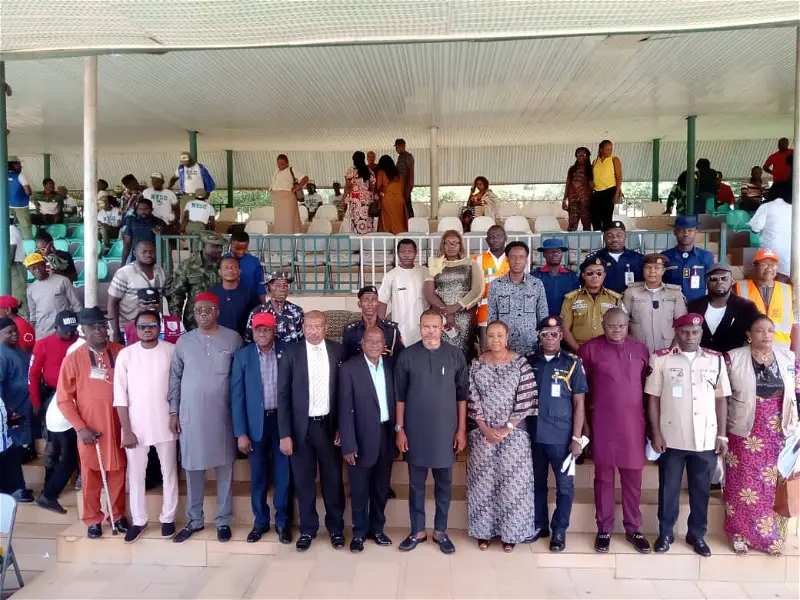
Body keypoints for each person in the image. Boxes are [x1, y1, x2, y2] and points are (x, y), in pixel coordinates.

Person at [646, 313, 731, 557]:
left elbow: (721, 399)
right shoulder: (661, 359)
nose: (690, 336)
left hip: (705, 437)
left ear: (701, 334)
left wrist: (722, 435)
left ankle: (697, 534)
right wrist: (656, 433)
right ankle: (665, 533)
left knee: (701, 490)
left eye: (695, 332)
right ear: (676, 333)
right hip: (671, 437)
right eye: (685, 332)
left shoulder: (715, 361)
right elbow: (652, 398)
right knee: (668, 489)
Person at [169, 293, 243, 543]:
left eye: (208, 309)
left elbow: (240, 378)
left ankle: (223, 520)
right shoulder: (183, 342)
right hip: (191, 418)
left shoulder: (233, 338)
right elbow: (175, 379)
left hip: (223, 416)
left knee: (225, 470)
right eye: (199, 310)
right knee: (193, 469)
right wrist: (173, 411)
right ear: (193, 313)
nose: (203, 314)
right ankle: (195, 520)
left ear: (217, 311)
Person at [578, 309, 651, 554]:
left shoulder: (640, 349)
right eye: (611, 326)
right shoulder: (588, 350)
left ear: (627, 325)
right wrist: (585, 428)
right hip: (602, 424)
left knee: (633, 480)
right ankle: (604, 529)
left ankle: (633, 528)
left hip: (633, 425)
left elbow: (646, 388)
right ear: (603, 324)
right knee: (604, 480)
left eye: (621, 326)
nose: (616, 330)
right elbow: (581, 391)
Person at [723, 316, 798, 556]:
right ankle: (738, 534)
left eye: (770, 330)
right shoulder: (733, 358)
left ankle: (769, 538)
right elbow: (722, 396)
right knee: (741, 483)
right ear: (749, 334)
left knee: (771, 485)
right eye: (759, 330)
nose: (766, 335)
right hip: (744, 428)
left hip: (777, 428)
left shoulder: (788, 357)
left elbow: (796, 392)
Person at [395, 310, 467, 554]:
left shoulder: (455, 355)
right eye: (425, 326)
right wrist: (400, 429)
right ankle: (417, 531)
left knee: (444, 484)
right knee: (416, 485)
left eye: (434, 327)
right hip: (415, 433)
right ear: (420, 326)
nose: (430, 331)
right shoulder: (407, 356)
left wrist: (461, 430)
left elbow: (462, 397)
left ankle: (440, 531)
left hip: (446, 433)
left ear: (442, 327)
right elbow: (400, 397)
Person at [277, 311, 346, 551]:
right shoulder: (291, 353)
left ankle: (336, 528)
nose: (313, 330)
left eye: (318, 326)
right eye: (309, 326)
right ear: (303, 328)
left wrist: (342, 427)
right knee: (304, 482)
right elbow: (282, 395)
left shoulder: (338, 351)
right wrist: (284, 433)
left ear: (326, 328)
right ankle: (308, 529)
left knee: (333, 481)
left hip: (328, 426)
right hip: (300, 430)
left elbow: (345, 394)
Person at [57, 307, 129, 538]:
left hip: (119, 425)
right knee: (91, 475)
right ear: (83, 331)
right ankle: (93, 519)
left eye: (102, 325)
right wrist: (80, 427)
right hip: (90, 429)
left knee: (118, 473)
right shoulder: (73, 359)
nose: (99, 330)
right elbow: (64, 400)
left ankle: (117, 516)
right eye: (92, 327)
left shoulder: (121, 352)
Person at [467, 320, 536, 552]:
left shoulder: (521, 364)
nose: (495, 340)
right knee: (483, 485)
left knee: (513, 487)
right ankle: (483, 533)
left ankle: (511, 534)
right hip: (482, 434)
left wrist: (507, 428)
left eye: (500, 336)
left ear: (507, 338)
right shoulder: (476, 364)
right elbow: (471, 398)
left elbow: (526, 398)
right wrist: (486, 429)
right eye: (491, 335)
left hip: (514, 435)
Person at [114, 310, 179, 543]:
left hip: (166, 423)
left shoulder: (171, 351)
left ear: (159, 326)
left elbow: (176, 388)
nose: (147, 330)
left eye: (152, 325)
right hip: (135, 428)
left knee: (169, 472)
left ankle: (168, 517)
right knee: (136, 475)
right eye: (143, 326)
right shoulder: (126, 355)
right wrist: (127, 430)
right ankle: (139, 520)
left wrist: (175, 415)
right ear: (135, 328)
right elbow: (120, 396)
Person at [527, 317, 586, 551]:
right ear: (539, 337)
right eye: (545, 334)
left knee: (564, 487)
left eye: (554, 334)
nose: (549, 338)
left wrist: (576, 438)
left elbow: (579, 404)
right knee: (537, 484)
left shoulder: (572, 363)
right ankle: (540, 525)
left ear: (561, 336)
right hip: (533, 435)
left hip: (562, 437)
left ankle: (559, 531)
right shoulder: (529, 362)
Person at [232, 312, 292, 545]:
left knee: (283, 476)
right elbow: (236, 397)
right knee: (257, 476)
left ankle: (283, 522)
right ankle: (260, 522)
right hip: (255, 426)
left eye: (267, 329)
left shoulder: (286, 352)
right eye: (259, 330)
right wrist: (240, 432)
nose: (263, 334)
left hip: (281, 422)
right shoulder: (243, 356)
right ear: (253, 332)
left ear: (274, 331)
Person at [338, 327, 397, 552]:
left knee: (381, 488)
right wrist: (348, 444)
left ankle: (377, 530)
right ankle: (359, 532)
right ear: (362, 343)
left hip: (385, 435)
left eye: (378, 341)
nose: (374, 344)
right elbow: (344, 409)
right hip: (359, 438)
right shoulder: (350, 368)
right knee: (360, 489)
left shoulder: (391, 366)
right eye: (369, 341)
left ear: (384, 345)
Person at [30, 311, 79, 513]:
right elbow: (33, 375)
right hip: (53, 396)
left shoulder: (78, 343)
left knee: (67, 449)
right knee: (54, 447)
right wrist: (35, 402)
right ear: (56, 328)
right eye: (65, 331)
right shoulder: (42, 344)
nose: (69, 334)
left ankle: (52, 489)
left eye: (72, 330)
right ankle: (49, 489)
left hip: (75, 397)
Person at [424, 230, 484, 361]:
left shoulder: (471, 264)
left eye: (454, 243)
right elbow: (428, 293)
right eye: (447, 243)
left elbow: (478, 289)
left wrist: (457, 306)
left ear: (460, 245)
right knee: (442, 355)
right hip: (442, 317)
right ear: (442, 245)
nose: (451, 246)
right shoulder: (435, 264)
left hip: (464, 317)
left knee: (464, 353)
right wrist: (447, 312)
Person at [487, 241, 548, 354]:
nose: (517, 261)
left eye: (521, 257)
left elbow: (543, 316)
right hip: (504, 349)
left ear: (526, 259)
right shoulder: (496, 285)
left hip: (531, 348)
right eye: (513, 257)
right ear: (507, 259)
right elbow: (492, 318)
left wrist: (542, 342)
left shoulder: (536, 284)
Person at [687, 264, 760, 353]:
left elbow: (757, 333)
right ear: (706, 282)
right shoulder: (694, 306)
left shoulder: (746, 307)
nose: (719, 282)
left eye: (724, 278)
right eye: (714, 278)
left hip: (733, 361)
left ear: (732, 281)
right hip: (700, 361)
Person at [623, 253, 687, 354]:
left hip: (667, 347)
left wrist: (674, 347)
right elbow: (622, 321)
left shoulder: (674, 293)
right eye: (648, 267)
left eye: (657, 268)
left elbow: (682, 324)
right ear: (643, 270)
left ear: (663, 271)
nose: (652, 271)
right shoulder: (631, 292)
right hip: (637, 348)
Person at [0, 317, 34, 502]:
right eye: (8, 332)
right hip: (11, 412)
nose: (14, 334)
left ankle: (15, 488)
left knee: (17, 450)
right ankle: (15, 489)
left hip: (24, 407)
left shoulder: (18, 349)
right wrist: (6, 410)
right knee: (10, 452)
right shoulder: (1, 353)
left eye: (15, 331)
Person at [107, 240, 167, 343]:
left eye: (151, 251)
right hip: (129, 328)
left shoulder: (161, 271)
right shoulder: (124, 273)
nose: (148, 254)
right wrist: (115, 333)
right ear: (135, 254)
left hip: (153, 327)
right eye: (144, 252)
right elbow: (112, 303)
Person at [734, 248, 794, 351]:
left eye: (773, 264)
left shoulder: (788, 290)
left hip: (781, 352)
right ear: (755, 266)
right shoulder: (739, 288)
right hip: (750, 350)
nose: (769, 268)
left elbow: (795, 323)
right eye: (764, 264)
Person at [560, 260, 624, 352]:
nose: (595, 276)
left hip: (607, 350)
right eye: (590, 273)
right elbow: (564, 329)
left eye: (599, 273)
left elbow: (621, 327)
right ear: (583, 275)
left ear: (604, 275)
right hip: (579, 350)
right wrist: (579, 350)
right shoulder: (571, 298)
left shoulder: (615, 299)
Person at [165, 230, 224, 330]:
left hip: (222, 318)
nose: (220, 249)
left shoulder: (225, 265)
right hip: (194, 321)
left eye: (221, 246)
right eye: (215, 246)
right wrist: (176, 320)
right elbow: (177, 294)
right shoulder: (188, 265)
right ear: (203, 246)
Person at [377, 238, 429, 346]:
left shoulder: (425, 271)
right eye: (402, 252)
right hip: (401, 330)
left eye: (409, 251)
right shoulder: (391, 275)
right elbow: (382, 303)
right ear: (398, 254)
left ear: (416, 252)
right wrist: (382, 328)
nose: (406, 255)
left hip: (425, 329)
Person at [24, 252, 81, 339]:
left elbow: (76, 304)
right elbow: (33, 315)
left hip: (63, 330)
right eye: (33, 268)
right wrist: (32, 334)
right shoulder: (30, 289)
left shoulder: (62, 280)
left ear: (44, 264)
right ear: (29, 270)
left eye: (39, 266)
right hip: (42, 333)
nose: (37, 270)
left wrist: (80, 326)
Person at [661, 215, 716, 302]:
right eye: (681, 230)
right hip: (671, 306)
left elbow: (712, 283)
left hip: (697, 305)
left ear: (696, 232)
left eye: (690, 230)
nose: (686, 233)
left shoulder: (706, 256)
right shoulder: (665, 257)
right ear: (675, 232)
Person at [581, 220, 644, 294]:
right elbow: (584, 283)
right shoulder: (592, 259)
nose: (615, 239)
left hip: (631, 302)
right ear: (604, 237)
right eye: (610, 236)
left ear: (625, 237)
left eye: (619, 235)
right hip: (604, 302)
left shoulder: (638, 259)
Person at [342, 286, 403, 359]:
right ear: (359, 304)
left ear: (378, 303)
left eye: (373, 300)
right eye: (366, 300)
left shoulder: (392, 330)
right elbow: (344, 358)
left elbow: (401, 357)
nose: (370, 304)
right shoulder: (350, 331)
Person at [245, 272, 305, 345]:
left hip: (291, 355)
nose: (282, 289)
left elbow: (302, 339)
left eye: (285, 285)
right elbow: (249, 340)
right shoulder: (257, 312)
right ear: (268, 289)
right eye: (277, 285)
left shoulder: (297, 311)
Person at [749, 178, 793, 279]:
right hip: (792, 250)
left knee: (771, 280)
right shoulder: (795, 207)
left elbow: (755, 228)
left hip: (770, 250)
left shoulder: (766, 207)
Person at [475, 226, 509, 349]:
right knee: (486, 351)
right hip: (485, 314)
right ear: (486, 240)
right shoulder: (478, 260)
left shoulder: (513, 258)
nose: (495, 239)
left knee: (508, 351)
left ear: (505, 238)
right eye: (491, 237)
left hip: (509, 313)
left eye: (498, 236)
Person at [210, 257, 261, 338]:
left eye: (233, 267)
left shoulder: (250, 294)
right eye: (226, 267)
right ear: (219, 272)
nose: (230, 270)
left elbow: (256, 319)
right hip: (216, 340)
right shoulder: (211, 294)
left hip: (241, 341)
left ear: (239, 271)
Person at [532, 239, 580, 318]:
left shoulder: (572, 276)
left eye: (558, 251)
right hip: (541, 320)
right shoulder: (535, 276)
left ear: (562, 254)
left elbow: (576, 301)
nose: (555, 254)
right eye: (551, 251)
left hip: (565, 320)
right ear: (544, 254)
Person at [270, 154, 306, 234]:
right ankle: (280, 240)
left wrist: (297, 188)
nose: (280, 165)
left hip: (287, 198)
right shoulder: (276, 172)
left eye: (283, 163)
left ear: (287, 163)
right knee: (280, 221)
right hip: (278, 200)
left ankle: (292, 240)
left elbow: (305, 178)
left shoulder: (291, 169)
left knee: (289, 220)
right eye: (279, 163)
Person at [590, 140, 622, 231]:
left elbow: (619, 177)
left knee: (607, 220)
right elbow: (592, 177)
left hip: (610, 191)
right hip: (597, 192)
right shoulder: (595, 161)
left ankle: (607, 242)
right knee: (595, 219)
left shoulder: (614, 159)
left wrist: (616, 194)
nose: (609, 151)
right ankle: (597, 242)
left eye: (611, 149)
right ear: (601, 149)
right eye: (607, 149)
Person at [121, 198, 165, 264]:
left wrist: (162, 230)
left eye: (146, 209)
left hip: (153, 258)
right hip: (136, 258)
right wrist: (123, 262)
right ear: (136, 210)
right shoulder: (132, 222)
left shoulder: (158, 222)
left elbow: (170, 235)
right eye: (140, 209)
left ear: (151, 209)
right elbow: (127, 242)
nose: (143, 211)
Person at [343, 151, 376, 235]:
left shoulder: (351, 171)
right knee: (367, 220)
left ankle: (358, 243)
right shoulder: (369, 171)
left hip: (355, 199)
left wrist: (343, 197)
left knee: (356, 220)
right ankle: (367, 243)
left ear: (354, 160)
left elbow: (348, 186)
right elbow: (372, 187)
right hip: (367, 200)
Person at [228, 230, 267, 302]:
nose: (240, 252)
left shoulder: (254, 261)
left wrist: (263, 305)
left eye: (244, 248)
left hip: (251, 302)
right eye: (237, 248)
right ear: (230, 243)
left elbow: (260, 286)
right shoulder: (223, 261)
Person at [562, 147, 593, 231]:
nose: (581, 156)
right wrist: (564, 199)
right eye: (579, 155)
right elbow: (568, 183)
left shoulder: (591, 168)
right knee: (572, 225)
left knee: (586, 224)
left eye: (584, 155)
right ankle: (571, 244)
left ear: (587, 156)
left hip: (586, 201)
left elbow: (594, 185)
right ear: (576, 156)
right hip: (573, 201)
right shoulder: (572, 169)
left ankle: (586, 243)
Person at [376, 155, 408, 234]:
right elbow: (402, 188)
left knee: (387, 220)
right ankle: (400, 238)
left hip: (388, 199)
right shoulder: (397, 174)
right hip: (399, 200)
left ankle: (388, 240)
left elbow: (378, 186)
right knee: (399, 221)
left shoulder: (381, 172)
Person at [8, 156, 33, 239]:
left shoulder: (3, 175)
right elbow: (28, 191)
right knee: (25, 226)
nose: (21, 166)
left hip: (8, 205)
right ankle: (28, 244)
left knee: (10, 225)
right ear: (13, 165)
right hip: (21, 205)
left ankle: (11, 242)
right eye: (19, 164)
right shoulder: (20, 175)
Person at [9, 222, 28, 317]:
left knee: (19, 302)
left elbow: (10, 257)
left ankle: (25, 330)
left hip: (15, 268)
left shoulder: (11, 229)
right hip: (8, 269)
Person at [395, 138, 415, 218]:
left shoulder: (408, 156)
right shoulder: (400, 157)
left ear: (403, 146)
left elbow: (411, 173)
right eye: (396, 147)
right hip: (400, 186)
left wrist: (409, 187)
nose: (396, 149)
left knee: (408, 208)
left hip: (406, 186)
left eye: (397, 147)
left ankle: (412, 226)